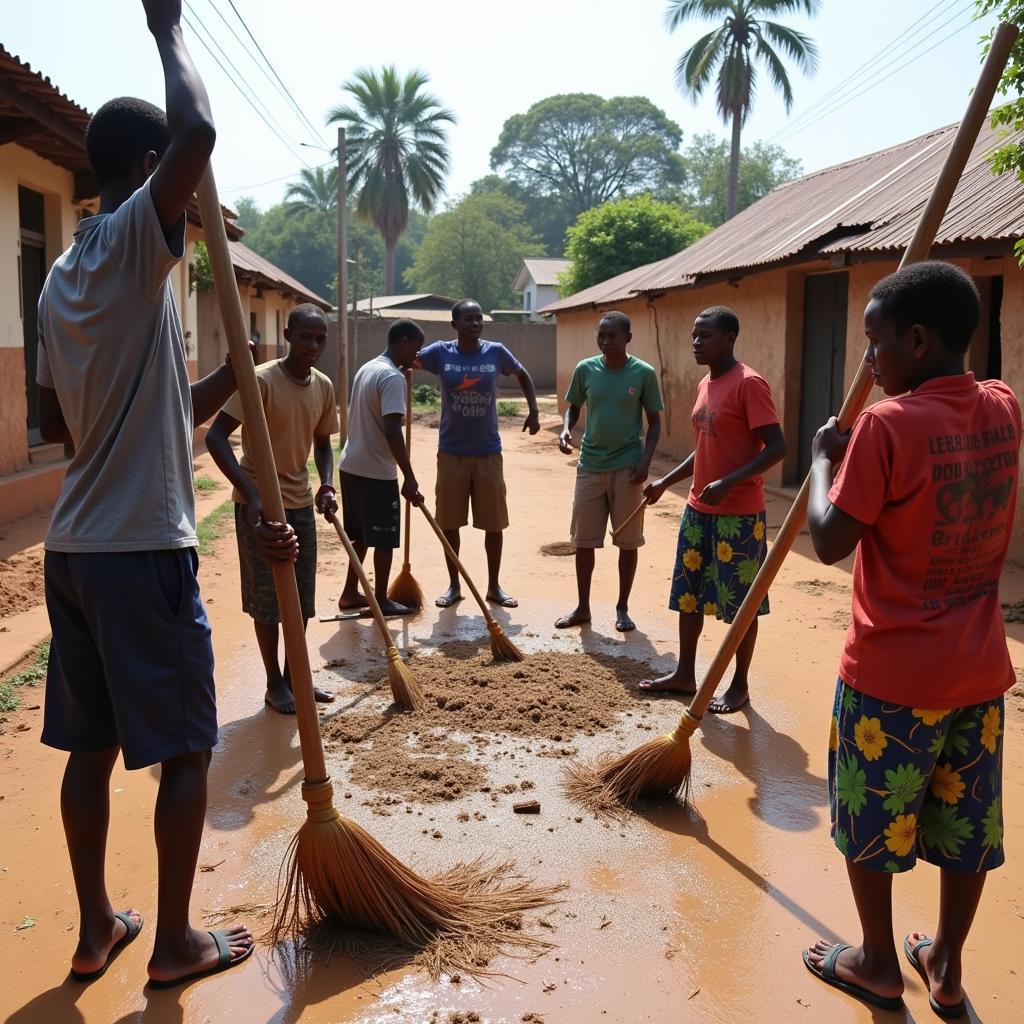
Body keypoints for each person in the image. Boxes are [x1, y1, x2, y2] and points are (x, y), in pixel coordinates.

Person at [34, 0, 285, 986]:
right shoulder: (140, 237)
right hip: (143, 548)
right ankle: (175, 942)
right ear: (147, 173)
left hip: (75, 549)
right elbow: (201, 130)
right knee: (184, 748)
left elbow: (73, 428)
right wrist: (171, 29)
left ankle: (96, 928)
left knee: (89, 750)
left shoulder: (59, 280)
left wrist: (231, 380)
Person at [802, 261, 1020, 1016]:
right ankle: (948, 967)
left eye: (875, 346)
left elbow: (829, 539)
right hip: (979, 674)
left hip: (890, 677)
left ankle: (875, 963)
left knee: (870, 821)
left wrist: (825, 462)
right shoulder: (1004, 406)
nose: (868, 362)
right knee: (966, 826)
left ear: (918, 341)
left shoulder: (890, 427)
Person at [639, 306, 787, 713]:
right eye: (694, 335)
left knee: (741, 604)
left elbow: (778, 447)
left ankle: (739, 686)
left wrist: (731, 481)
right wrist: (666, 482)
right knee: (688, 595)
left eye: (705, 335)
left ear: (730, 338)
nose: (696, 342)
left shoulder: (749, 384)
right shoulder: (706, 384)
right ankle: (685, 674)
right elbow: (703, 447)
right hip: (697, 510)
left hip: (738, 516)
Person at [206, 303, 339, 715]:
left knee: (301, 598)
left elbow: (322, 444)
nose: (313, 346)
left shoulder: (323, 386)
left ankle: (297, 676)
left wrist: (327, 485)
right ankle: (273, 683)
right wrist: (253, 494)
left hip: (299, 504)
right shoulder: (259, 381)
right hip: (260, 508)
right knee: (267, 599)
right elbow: (215, 437)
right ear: (287, 335)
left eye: (320, 339)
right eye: (305, 337)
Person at [417, 298, 540, 608]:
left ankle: (494, 586)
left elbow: (522, 374)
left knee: (493, 523)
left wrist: (534, 410)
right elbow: (407, 359)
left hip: (488, 451)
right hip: (451, 452)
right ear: (454, 324)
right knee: (449, 523)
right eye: (468, 318)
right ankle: (454, 584)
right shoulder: (440, 353)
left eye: (478, 318)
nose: (475, 323)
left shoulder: (496, 352)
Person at [555, 311, 663, 632]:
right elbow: (573, 406)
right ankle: (582, 607)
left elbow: (655, 423)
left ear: (627, 338)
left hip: (628, 469)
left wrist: (645, 461)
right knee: (583, 541)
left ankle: (622, 608)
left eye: (612, 336)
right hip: (589, 466)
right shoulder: (585, 369)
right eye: (600, 335)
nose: (605, 341)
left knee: (627, 543)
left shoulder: (643, 373)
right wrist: (565, 429)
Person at [336, 318, 426, 612]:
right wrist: (409, 477)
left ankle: (350, 593)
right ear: (403, 341)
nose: (417, 356)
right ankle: (383, 600)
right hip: (376, 470)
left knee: (360, 535)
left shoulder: (369, 367)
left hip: (351, 465)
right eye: (415, 348)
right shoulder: (392, 378)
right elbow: (391, 429)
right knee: (385, 537)